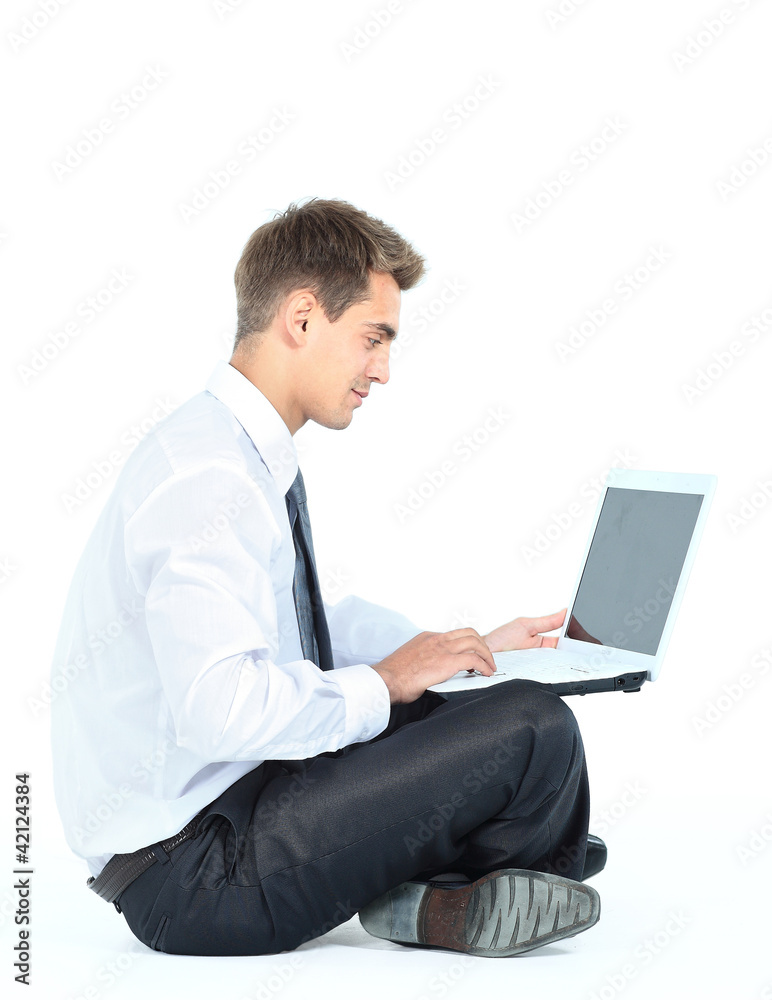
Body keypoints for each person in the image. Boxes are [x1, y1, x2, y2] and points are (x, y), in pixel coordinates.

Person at [51, 197, 603, 959]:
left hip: (231, 812)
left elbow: (297, 625)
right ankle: (491, 864)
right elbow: (218, 709)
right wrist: (384, 681)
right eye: (373, 338)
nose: (382, 369)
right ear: (303, 318)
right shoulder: (207, 475)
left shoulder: (235, 449)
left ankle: (492, 858)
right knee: (537, 731)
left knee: (477, 704)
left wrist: (451, 650)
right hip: (194, 874)